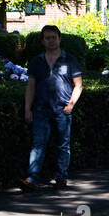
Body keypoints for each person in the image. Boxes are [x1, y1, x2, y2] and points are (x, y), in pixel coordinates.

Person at [20, 24, 83, 190]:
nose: (51, 41)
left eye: (53, 37)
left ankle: (61, 177)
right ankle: (32, 178)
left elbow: (79, 85)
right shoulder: (36, 62)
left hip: (62, 109)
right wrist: (27, 109)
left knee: (63, 145)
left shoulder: (70, 60)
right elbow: (31, 87)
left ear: (59, 39)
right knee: (38, 144)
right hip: (40, 109)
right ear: (42, 41)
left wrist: (71, 105)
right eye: (47, 38)